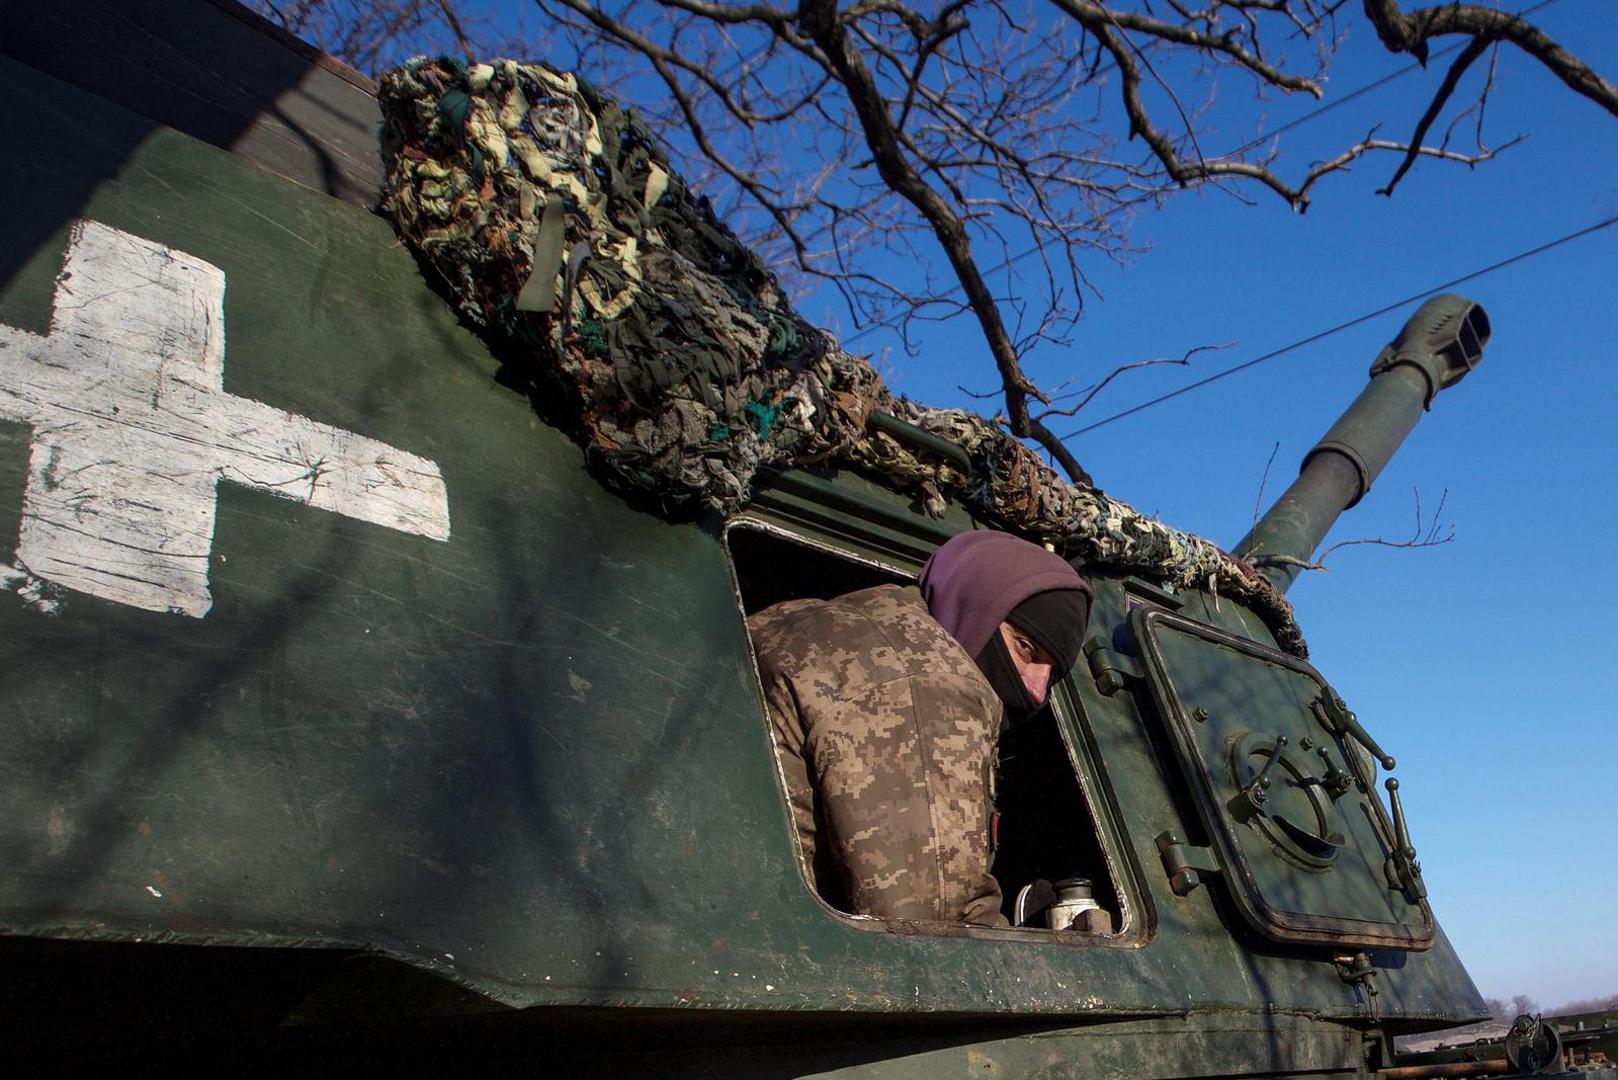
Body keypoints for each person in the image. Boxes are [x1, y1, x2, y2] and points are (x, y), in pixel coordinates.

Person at [747, 531, 1093, 926]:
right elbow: (932, 927)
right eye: (1025, 648)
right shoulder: (928, 680)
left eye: (1052, 674)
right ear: (974, 605)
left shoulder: (848, 625)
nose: (1035, 689)